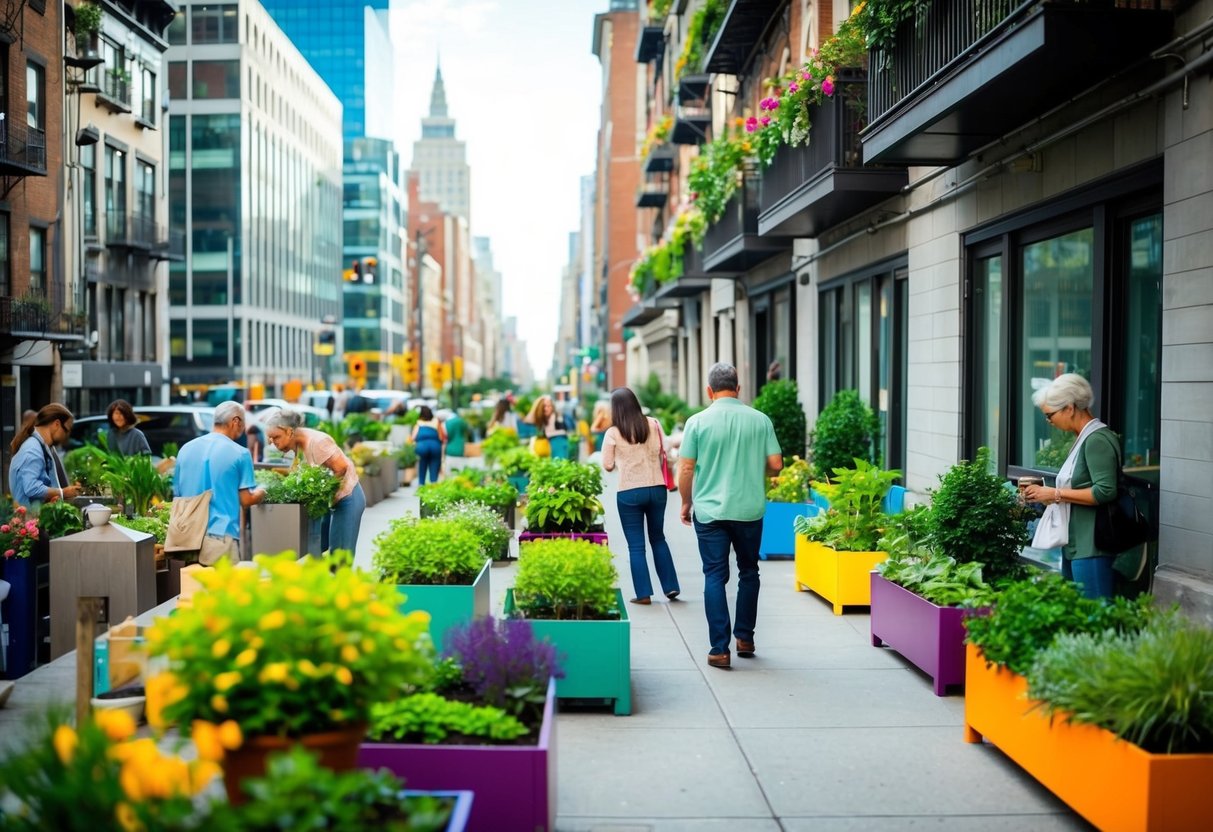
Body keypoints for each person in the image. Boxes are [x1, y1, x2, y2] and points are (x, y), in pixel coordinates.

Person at [678, 363, 782, 669]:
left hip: (710, 512)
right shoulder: (760, 420)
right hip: (749, 510)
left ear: (709, 391)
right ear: (738, 389)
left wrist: (686, 502)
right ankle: (745, 638)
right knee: (749, 571)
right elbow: (776, 464)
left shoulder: (697, 422)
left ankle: (719, 649)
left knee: (714, 576)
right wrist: (754, 469)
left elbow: (685, 469)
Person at [1021, 373, 1120, 600]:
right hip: (1076, 542)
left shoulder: (1097, 439)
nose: (1049, 421)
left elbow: (1105, 491)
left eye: (1049, 415)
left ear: (1069, 408)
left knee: (1095, 615)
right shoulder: (1082, 438)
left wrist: (1055, 494)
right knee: (1078, 615)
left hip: (1092, 545)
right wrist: (1049, 496)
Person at [601, 387, 680, 605]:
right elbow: (666, 448)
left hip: (629, 492)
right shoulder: (653, 424)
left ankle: (644, 594)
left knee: (636, 546)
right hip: (657, 488)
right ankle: (671, 586)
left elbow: (607, 465)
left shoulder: (613, 433)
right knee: (658, 537)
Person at [262, 409, 365, 557]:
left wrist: (320, 492)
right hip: (333, 501)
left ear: (290, 432)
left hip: (348, 499)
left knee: (341, 557)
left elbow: (341, 468)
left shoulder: (317, 442)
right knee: (324, 553)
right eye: (270, 438)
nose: (273, 443)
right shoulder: (299, 444)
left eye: (276, 437)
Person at [174, 401, 266, 564]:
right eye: (243, 423)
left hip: (186, 536)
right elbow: (246, 500)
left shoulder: (185, 449)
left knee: (192, 588)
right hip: (220, 535)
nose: (244, 429)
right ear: (235, 421)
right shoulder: (240, 453)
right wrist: (263, 490)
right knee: (223, 588)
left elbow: (177, 494)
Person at [9, 404, 81, 509]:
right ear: (56, 424)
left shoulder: (41, 447)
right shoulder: (33, 449)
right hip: (30, 519)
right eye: (67, 430)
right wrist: (63, 492)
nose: (67, 436)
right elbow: (31, 488)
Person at [411, 405, 446, 485]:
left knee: (422, 466)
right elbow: (441, 436)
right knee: (434, 467)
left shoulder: (418, 423)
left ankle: (421, 485)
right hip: (435, 446)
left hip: (422, 446)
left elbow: (413, 437)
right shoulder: (436, 421)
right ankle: (433, 485)